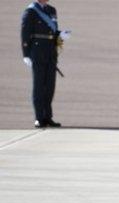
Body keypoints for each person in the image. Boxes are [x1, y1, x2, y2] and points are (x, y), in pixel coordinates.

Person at [21, 0, 71, 128]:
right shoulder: (31, 11)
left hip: (50, 52)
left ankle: (48, 117)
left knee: (49, 86)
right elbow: (25, 32)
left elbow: (52, 31)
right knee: (38, 86)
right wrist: (26, 54)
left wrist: (60, 34)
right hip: (37, 52)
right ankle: (39, 118)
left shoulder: (52, 10)